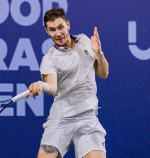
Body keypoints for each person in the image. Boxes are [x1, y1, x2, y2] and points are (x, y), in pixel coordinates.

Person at [26, 8, 109, 158]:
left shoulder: (84, 40)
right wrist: (42, 86)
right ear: (47, 31)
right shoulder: (50, 59)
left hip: (88, 118)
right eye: (52, 30)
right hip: (61, 119)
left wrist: (99, 53)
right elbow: (52, 87)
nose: (58, 33)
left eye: (60, 27)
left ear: (68, 25)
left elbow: (103, 73)